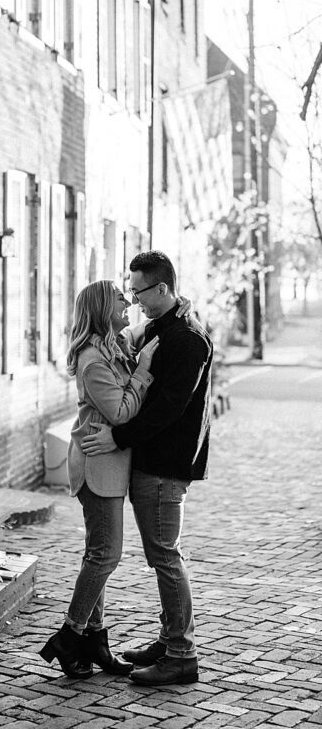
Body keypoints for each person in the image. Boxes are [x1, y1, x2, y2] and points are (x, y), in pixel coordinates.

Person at [39, 278, 158, 678]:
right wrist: (142, 373)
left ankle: (95, 642)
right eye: (120, 298)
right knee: (106, 555)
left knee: (99, 553)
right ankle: (70, 636)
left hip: (110, 465)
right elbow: (122, 413)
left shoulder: (114, 345)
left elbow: (143, 327)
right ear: (101, 308)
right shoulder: (93, 359)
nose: (128, 302)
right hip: (97, 468)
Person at [107, 249, 214, 688]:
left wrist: (118, 437)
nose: (135, 300)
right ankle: (170, 639)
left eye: (139, 292)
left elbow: (169, 408)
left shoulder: (186, 339)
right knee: (162, 556)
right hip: (153, 461)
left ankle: (181, 656)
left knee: (166, 558)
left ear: (163, 288)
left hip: (165, 465)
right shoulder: (161, 328)